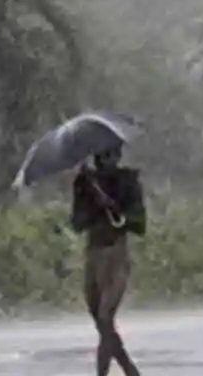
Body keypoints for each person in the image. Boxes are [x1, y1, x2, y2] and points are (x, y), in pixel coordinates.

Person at [70, 145, 146, 376]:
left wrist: (112, 206)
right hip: (93, 255)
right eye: (103, 155)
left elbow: (139, 223)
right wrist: (88, 197)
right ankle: (128, 368)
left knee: (105, 316)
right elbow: (77, 222)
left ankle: (115, 371)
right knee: (99, 321)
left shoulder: (128, 182)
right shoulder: (85, 183)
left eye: (113, 154)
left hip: (116, 255)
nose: (109, 159)